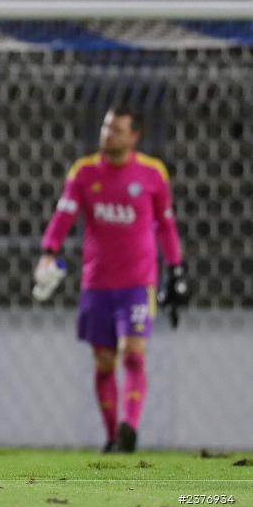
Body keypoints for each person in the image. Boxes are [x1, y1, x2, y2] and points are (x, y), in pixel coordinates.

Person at [36, 106, 188, 452]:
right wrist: (48, 251)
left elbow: (166, 225)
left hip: (138, 283)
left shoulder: (152, 173)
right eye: (106, 127)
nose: (108, 134)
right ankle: (112, 437)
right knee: (104, 363)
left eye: (117, 129)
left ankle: (129, 426)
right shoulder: (84, 172)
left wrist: (176, 269)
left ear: (134, 136)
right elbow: (64, 215)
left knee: (133, 355)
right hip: (97, 284)